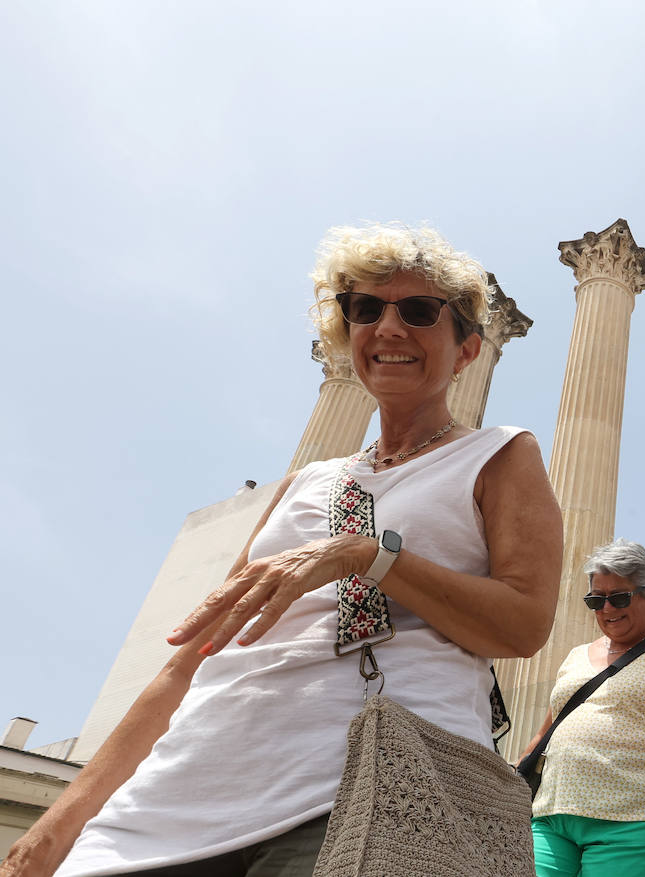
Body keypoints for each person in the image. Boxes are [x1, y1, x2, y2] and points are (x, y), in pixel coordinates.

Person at [4, 224, 563, 877]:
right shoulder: (308, 481)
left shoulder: (498, 453)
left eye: (417, 311)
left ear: (467, 349)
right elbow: (189, 662)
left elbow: (523, 623)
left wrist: (366, 555)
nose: (388, 327)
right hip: (175, 796)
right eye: (365, 309)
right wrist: (55, 830)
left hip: (365, 790)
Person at [520, 539, 645, 877]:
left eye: (619, 598)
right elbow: (547, 732)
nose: (607, 609)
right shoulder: (575, 656)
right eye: (596, 600)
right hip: (550, 817)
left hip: (632, 822)